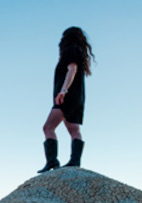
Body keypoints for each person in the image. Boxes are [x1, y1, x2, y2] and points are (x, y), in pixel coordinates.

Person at [38, 27, 94, 173]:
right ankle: (75, 161)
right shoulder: (79, 52)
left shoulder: (70, 50)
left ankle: (52, 161)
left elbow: (72, 70)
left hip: (66, 97)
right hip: (78, 98)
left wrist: (63, 91)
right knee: (74, 129)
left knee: (48, 127)